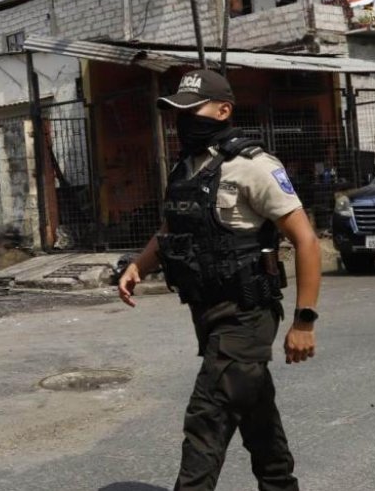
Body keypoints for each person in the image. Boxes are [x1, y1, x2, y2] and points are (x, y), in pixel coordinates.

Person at [117, 69, 322, 491]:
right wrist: (140, 264)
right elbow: (172, 229)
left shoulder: (254, 166)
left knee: (207, 416)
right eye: (179, 112)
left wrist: (304, 322)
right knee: (256, 414)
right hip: (208, 313)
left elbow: (306, 240)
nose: (183, 120)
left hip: (247, 314)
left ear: (224, 110)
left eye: (193, 110)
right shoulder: (187, 168)